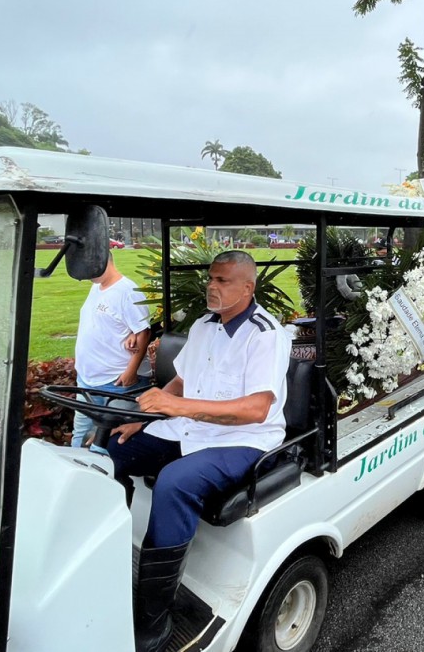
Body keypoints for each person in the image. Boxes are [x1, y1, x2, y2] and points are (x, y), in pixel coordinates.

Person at [107, 251, 292, 651]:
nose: (212, 286)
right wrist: (148, 416)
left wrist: (179, 408)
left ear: (248, 287)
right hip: (192, 428)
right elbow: (182, 379)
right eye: (211, 278)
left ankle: (154, 619)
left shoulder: (265, 334)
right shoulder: (205, 325)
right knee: (116, 450)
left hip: (243, 440)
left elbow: (257, 409)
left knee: (175, 482)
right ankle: (108, 557)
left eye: (223, 281)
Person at [71, 251, 152, 454]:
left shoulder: (128, 291)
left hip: (117, 384)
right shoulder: (97, 287)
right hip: (88, 381)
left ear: (103, 262)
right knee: (80, 436)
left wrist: (130, 372)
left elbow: (144, 331)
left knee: (107, 442)